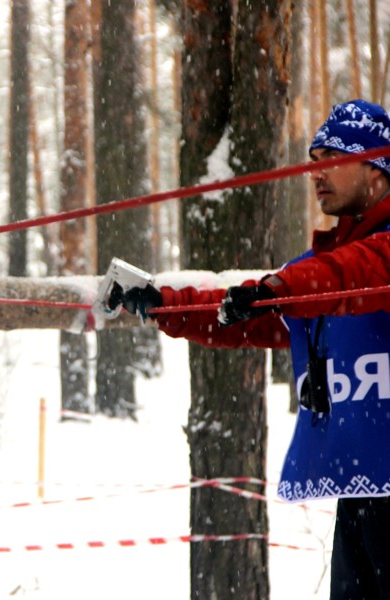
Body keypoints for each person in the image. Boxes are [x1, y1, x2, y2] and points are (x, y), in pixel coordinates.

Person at [109, 99, 390, 599]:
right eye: (312, 160)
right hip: (363, 490)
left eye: (331, 159)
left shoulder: (350, 266)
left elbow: (352, 275)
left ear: (375, 169)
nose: (315, 174)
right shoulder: (314, 272)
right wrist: (164, 305)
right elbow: (243, 312)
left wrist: (280, 288)